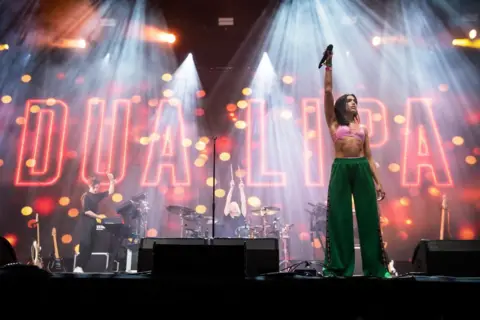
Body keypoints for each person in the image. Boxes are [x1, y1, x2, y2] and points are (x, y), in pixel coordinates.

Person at [320, 46, 391, 278]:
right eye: (349, 100)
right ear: (341, 106)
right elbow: (328, 91)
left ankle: (376, 269)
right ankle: (339, 268)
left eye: (355, 100)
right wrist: (329, 65)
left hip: (361, 168)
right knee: (339, 218)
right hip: (341, 169)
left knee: (369, 219)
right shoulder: (334, 124)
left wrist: (378, 182)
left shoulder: (363, 129)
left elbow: (369, 157)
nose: (353, 103)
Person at [74, 173, 115, 273]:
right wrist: (98, 216)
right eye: (95, 187)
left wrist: (112, 181)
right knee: (85, 244)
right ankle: (78, 266)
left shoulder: (97, 196)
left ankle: (82, 267)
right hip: (85, 222)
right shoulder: (86, 196)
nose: (97, 189)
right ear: (90, 186)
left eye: (98, 187)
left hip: (93, 223)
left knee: (91, 245)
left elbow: (110, 192)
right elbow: (87, 211)